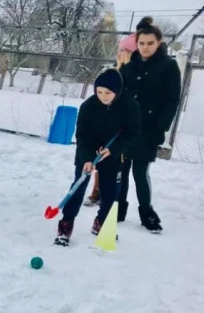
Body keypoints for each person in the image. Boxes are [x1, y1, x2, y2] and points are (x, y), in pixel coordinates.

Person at [54, 68, 141, 246]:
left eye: (107, 92)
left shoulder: (130, 106)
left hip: (112, 154)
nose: (103, 96)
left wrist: (114, 149)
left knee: (111, 192)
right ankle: (66, 224)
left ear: (117, 90)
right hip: (88, 152)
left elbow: (133, 134)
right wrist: (86, 158)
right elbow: (82, 135)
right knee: (78, 187)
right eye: (99, 91)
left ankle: (101, 223)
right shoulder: (88, 106)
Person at [118, 17, 182, 233]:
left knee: (140, 172)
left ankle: (147, 213)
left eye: (150, 43)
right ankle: (118, 209)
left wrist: (160, 128)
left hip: (149, 130)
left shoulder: (168, 66)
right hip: (125, 129)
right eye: (141, 43)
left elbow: (172, 100)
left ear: (158, 43)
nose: (145, 48)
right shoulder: (129, 66)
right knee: (122, 171)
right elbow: (119, 95)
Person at [84, 32, 138, 207]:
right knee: (101, 157)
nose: (119, 52)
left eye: (124, 50)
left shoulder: (135, 74)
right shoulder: (116, 70)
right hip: (107, 123)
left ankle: (115, 203)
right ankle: (97, 193)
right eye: (119, 49)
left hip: (126, 126)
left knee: (120, 168)